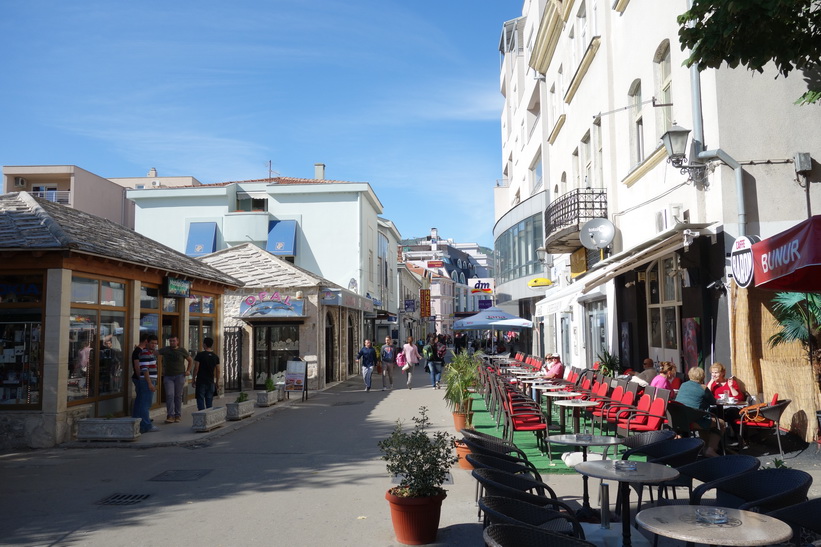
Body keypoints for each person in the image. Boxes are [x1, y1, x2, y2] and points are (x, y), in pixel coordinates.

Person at [675, 366, 725, 457]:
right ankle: (711, 449)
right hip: (693, 420)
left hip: (680, 420)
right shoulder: (703, 388)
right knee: (720, 423)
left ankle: (704, 448)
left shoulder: (683, 385)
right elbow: (713, 402)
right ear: (702, 376)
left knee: (704, 419)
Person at [158, 334, 194, 423]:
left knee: (178, 396)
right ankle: (170, 415)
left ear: (177, 341)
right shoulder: (165, 349)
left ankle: (178, 415)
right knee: (170, 395)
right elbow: (155, 352)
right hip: (168, 376)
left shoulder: (182, 350)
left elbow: (190, 360)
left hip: (180, 376)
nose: (172, 342)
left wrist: (188, 370)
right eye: (170, 341)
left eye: (174, 341)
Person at [131, 333, 159, 433]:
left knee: (144, 403)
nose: (154, 345)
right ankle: (146, 425)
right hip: (147, 381)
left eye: (155, 343)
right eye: (152, 343)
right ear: (147, 342)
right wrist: (149, 383)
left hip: (150, 380)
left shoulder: (150, 353)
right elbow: (144, 369)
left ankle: (142, 423)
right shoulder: (144, 353)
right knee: (145, 404)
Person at [192, 337, 220, 410]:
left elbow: (196, 368)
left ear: (204, 345)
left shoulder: (200, 355)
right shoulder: (215, 356)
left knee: (200, 398)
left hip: (201, 381)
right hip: (210, 381)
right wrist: (217, 382)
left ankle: (201, 415)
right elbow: (218, 370)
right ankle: (209, 415)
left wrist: (193, 379)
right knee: (209, 400)